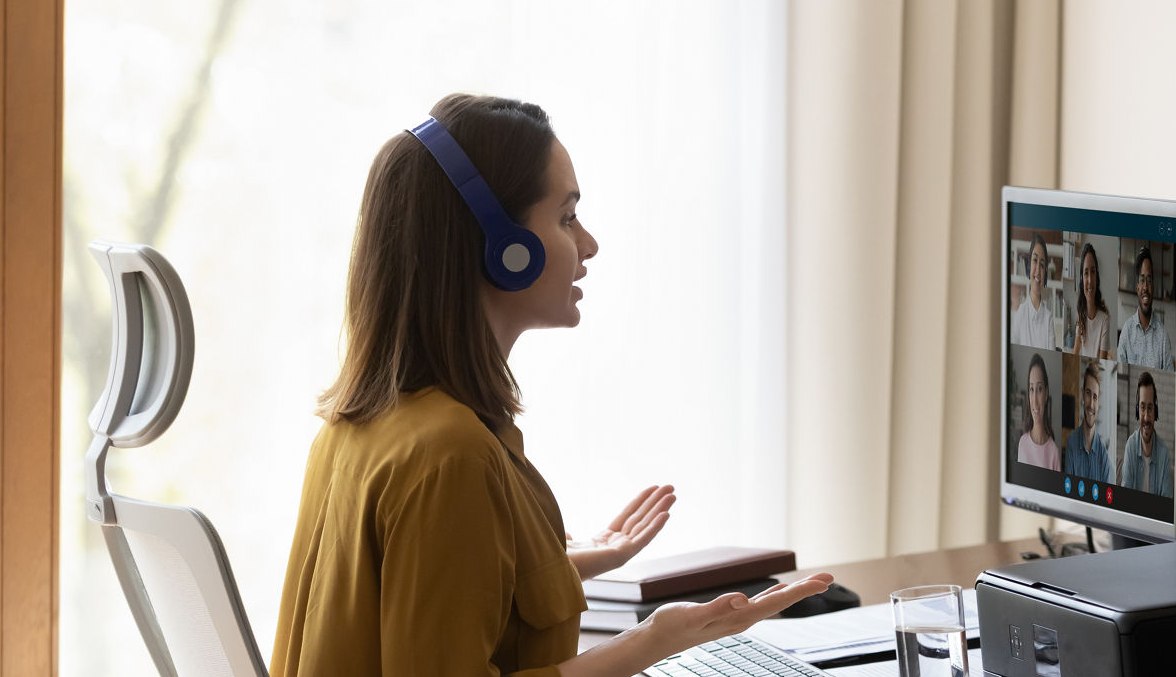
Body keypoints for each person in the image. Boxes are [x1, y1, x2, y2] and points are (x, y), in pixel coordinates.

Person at [270, 94, 832, 677]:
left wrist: (570, 565)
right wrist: (651, 642)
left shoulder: (362, 430)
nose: (588, 244)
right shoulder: (450, 454)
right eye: (566, 217)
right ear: (502, 250)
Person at [1116, 246, 1174, 370]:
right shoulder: (1126, 332)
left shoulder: (1163, 337)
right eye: (1142, 280)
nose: (1145, 288)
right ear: (1137, 287)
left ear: (1153, 287)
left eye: (1149, 280)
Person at [1120, 372, 1173, 498]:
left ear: (1156, 412)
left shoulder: (1163, 453)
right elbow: (1125, 498)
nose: (1146, 416)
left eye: (1150, 408)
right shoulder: (1131, 446)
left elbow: (1166, 503)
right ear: (1137, 411)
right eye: (1142, 408)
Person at [1061, 361, 1111, 483]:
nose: (1091, 405)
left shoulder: (1103, 454)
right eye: (1088, 394)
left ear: (1098, 403)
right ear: (1083, 395)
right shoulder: (1072, 442)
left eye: (1095, 397)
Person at [1010, 233, 1055, 349]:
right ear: (1029, 265)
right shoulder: (1020, 313)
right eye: (1035, 260)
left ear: (1045, 273)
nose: (1038, 271)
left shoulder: (1048, 318)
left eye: (1042, 264)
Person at [1017, 353, 1060, 471]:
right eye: (1031, 389)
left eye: (1039, 389)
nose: (1034, 399)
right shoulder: (1022, 444)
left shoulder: (1053, 452)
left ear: (1046, 393)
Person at [1070, 243, 1112, 360]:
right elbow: (1074, 356)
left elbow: (1102, 364)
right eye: (1086, 273)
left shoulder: (1104, 320)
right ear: (1082, 279)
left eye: (1093, 272)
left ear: (1097, 277)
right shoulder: (1081, 315)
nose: (1089, 280)